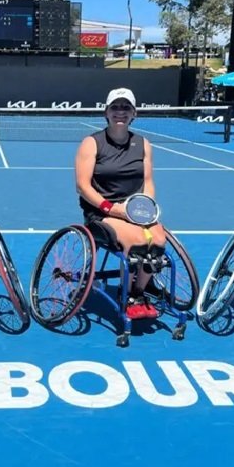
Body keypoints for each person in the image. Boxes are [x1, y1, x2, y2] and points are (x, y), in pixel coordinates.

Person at [75, 87, 168, 320]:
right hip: (102, 212)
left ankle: (138, 291)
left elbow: (148, 182)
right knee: (138, 243)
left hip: (135, 210)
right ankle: (125, 295)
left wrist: (146, 207)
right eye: (115, 107)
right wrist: (113, 209)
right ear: (106, 112)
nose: (120, 112)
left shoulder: (143, 144)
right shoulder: (91, 143)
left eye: (126, 107)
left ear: (134, 113)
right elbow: (83, 186)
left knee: (158, 242)